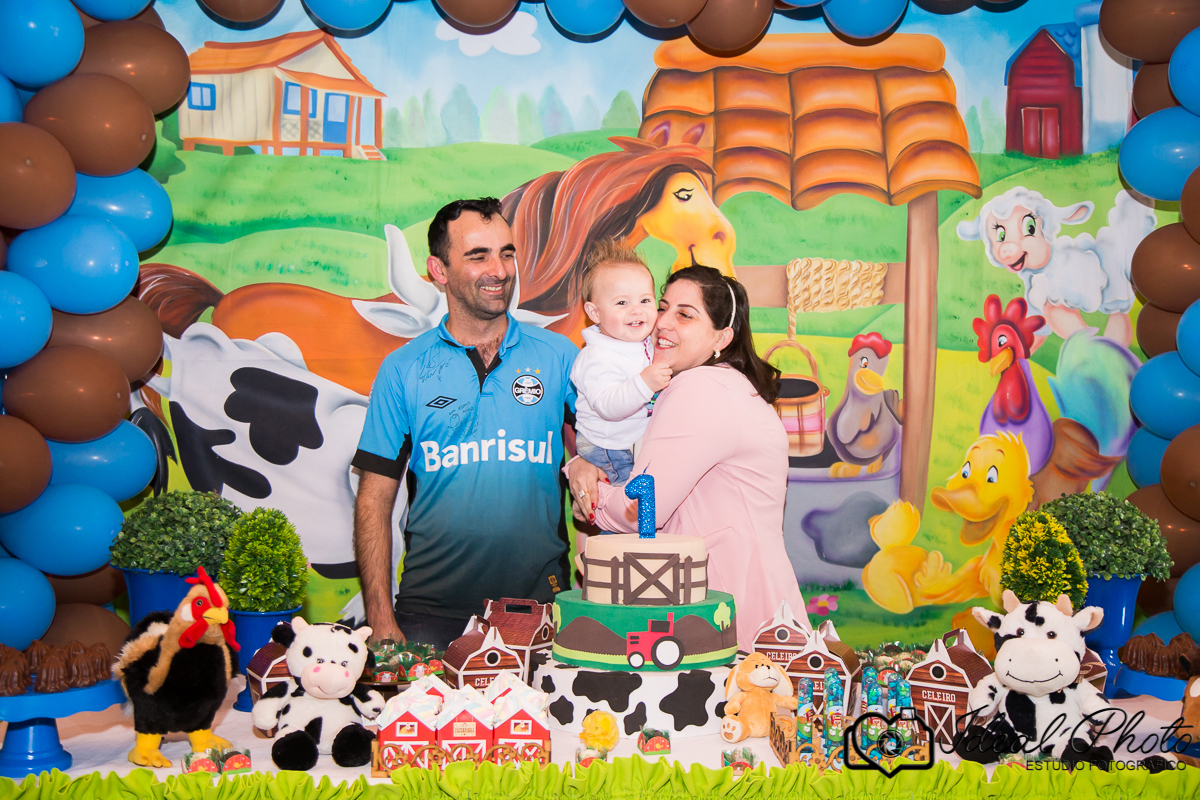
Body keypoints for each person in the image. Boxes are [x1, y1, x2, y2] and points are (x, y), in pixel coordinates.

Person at [352, 198, 578, 649]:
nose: (500, 270)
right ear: (439, 270)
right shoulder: (403, 369)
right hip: (429, 615)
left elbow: (604, 453)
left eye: (506, 253)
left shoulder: (560, 357)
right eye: (478, 256)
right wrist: (380, 619)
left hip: (539, 610)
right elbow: (374, 500)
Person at [567, 266, 809, 651]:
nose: (662, 322)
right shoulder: (728, 385)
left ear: (722, 337)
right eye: (662, 307)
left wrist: (587, 492)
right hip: (743, 601)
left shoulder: (700, 388)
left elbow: (641, 509)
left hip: (725, 609)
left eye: (685, 314)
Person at [571, 240, 672, 488]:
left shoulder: (643, 341)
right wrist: (645, 383)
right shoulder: (597, 357)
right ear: (595, 313)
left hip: (632, 442)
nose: (636, 310)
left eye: (645, 301)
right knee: (627, 496)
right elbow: (608, 406)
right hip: (608, 448)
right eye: (622, 303)